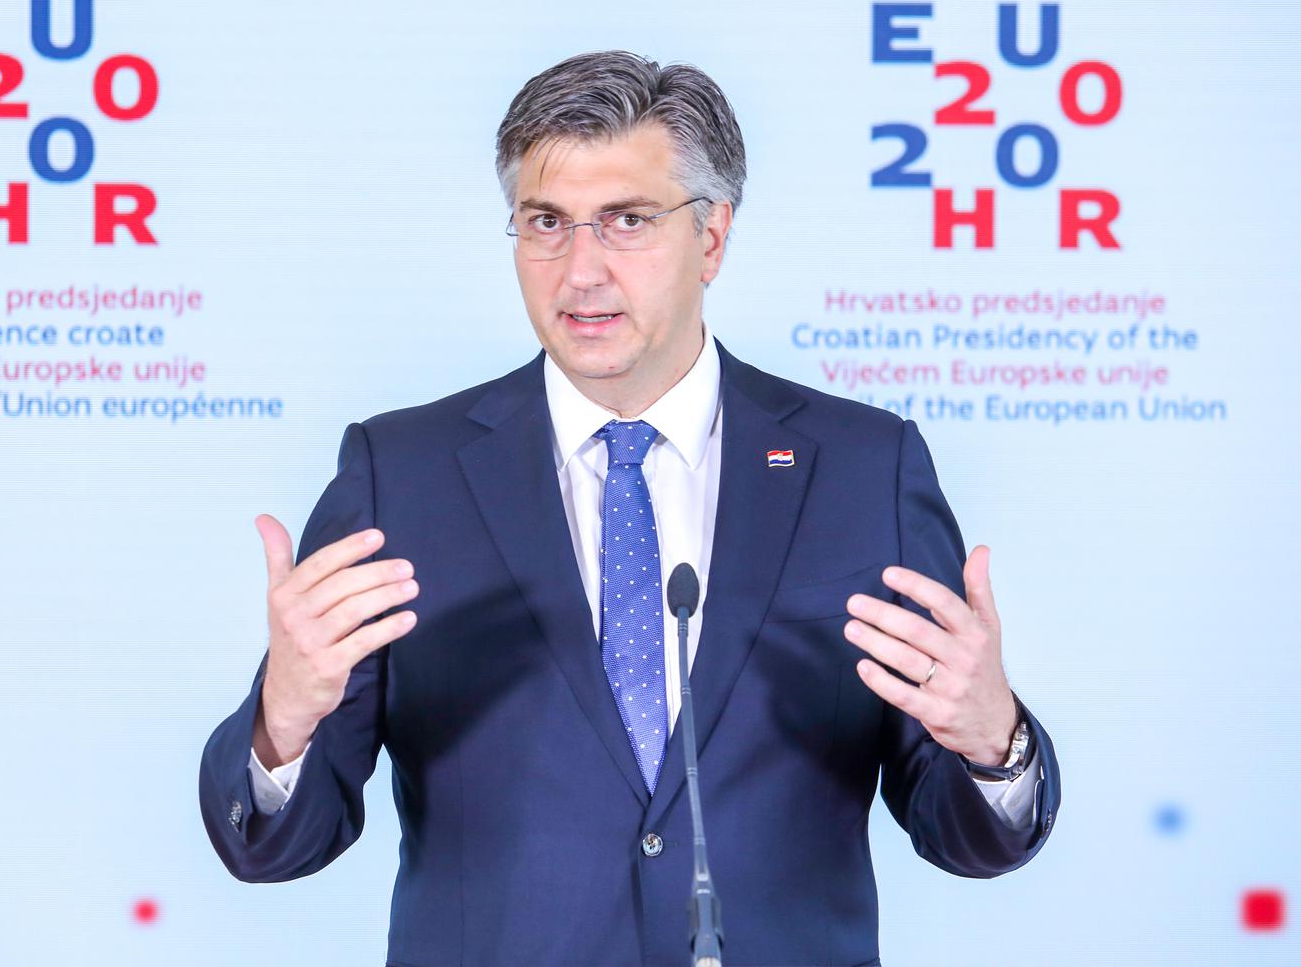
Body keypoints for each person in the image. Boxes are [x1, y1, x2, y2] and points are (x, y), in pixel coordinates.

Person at [199, 50, 1061, 967]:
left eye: (627, 221)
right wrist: (283, 721)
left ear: (712, 236)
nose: (580, 272)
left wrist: (991, 743)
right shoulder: (402, 476)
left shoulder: (862, 468)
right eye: (546, 223)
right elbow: (274, 849)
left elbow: (968, 839)